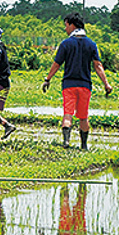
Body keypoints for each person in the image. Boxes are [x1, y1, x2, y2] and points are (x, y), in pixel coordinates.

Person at [42, 13, 112, 149]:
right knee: (83, 116)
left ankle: (66, 142)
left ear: (72, 25)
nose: (65, 29)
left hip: (69, 85)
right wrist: (106, 84)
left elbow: (57, 64)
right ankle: (84, 145)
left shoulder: (66, 44)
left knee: (68, 114)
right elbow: (98, 65)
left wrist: (48, 79)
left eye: (66, 25)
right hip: (85, 85)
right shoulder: (91, 44)